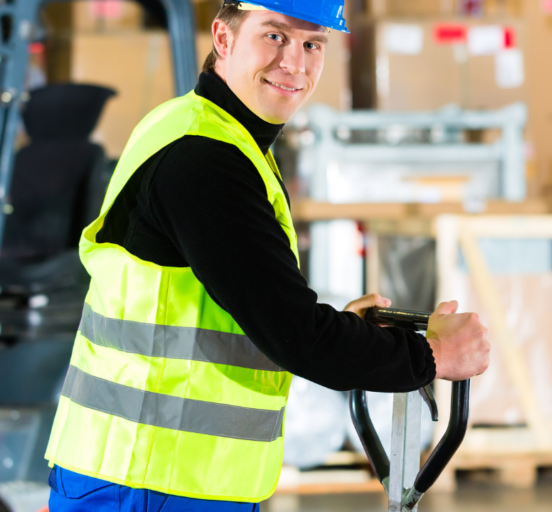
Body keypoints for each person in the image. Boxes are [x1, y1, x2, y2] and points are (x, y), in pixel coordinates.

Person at [44, 1, 491, 510]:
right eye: (274, 36)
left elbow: (245, 309)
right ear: (223, 37)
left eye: (312, 44)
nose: (295, 64)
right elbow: (295, 335)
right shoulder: (205, 160)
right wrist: (432, 358)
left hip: (161, 474)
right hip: (150, 481)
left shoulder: (213, 133)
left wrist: (346, 330)